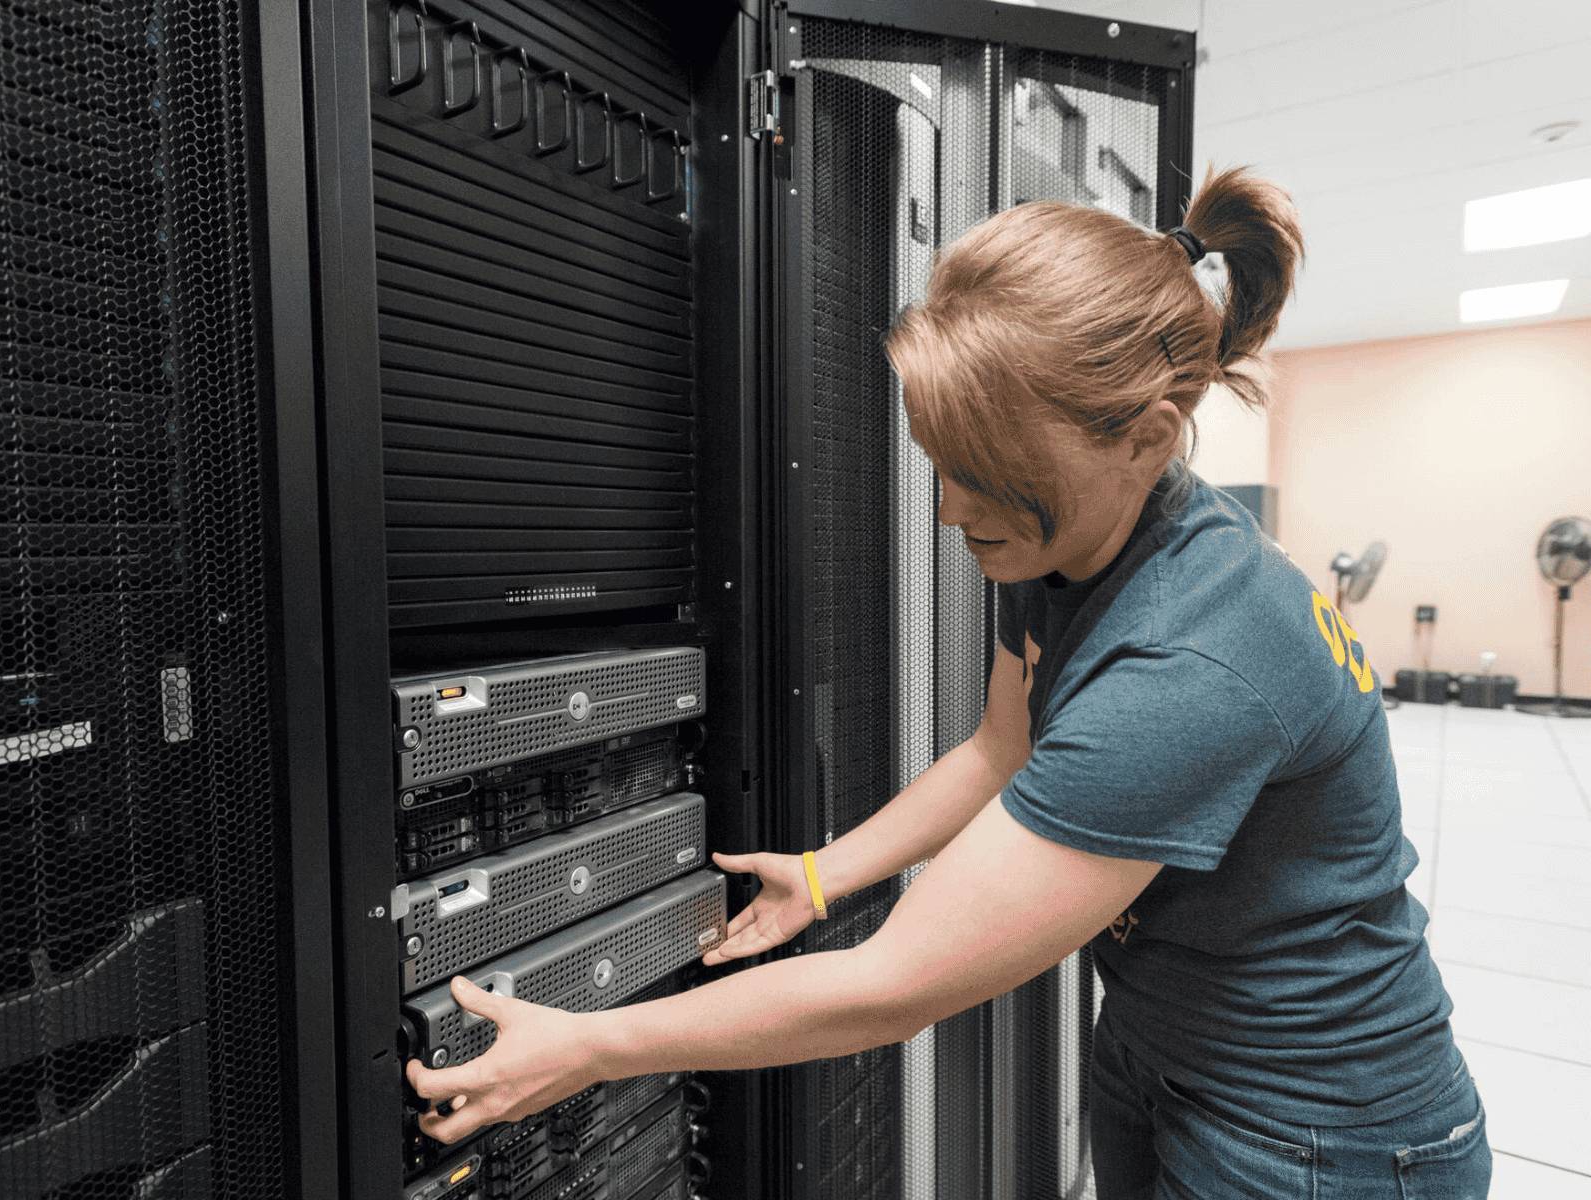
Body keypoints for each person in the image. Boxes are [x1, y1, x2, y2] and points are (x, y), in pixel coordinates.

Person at [404, 167, 1491, 1198]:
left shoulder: (1189, 661)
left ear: (1148, 438)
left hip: (1320, 1131)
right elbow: (1000, 750)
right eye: (944, 465)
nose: (952, 513)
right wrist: (827, 876)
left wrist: (590, 1046)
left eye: (992, 479)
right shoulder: (1076, 548)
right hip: (1166, 1050)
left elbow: (894, 988)